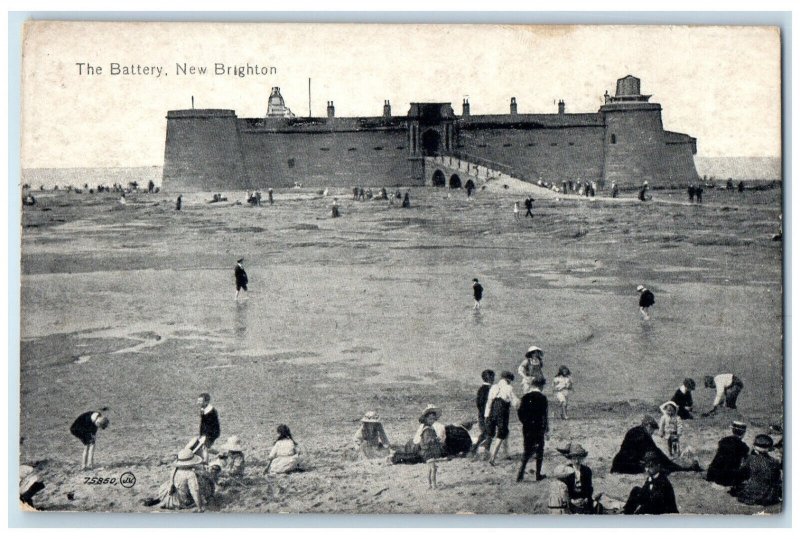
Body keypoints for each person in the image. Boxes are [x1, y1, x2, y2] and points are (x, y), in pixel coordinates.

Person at [611, 415, 695, 474]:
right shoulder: (644, 435)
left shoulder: (633, 430)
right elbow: (657, 452)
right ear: (647, 426)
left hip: (617, 463)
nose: (652, 432)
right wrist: (674, 466)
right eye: (652, 429)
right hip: (627, 466)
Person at [146, 448, 216, 511]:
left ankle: (161, 501)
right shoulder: (190, 474)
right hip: (182, 500)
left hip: (171, 495)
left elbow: (171, 484)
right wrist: (199, 508)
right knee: (204, 485)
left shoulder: (175, 469)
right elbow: (194, 491)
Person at [730, 434, 782, 506]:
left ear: (754, 446)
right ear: (769, 448)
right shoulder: (774, 461)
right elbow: (777, 479)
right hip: (769, 496)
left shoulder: (750, 459)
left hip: (752, 494)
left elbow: (740, 475)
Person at [516, 374, 548, 482]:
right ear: (541, 386)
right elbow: (544, 415)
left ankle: (521, 473)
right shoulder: (543, 398)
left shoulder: (525, 397)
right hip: (538, 427)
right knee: (539, 450)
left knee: (527, 449)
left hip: (527, 427)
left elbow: (519, 412)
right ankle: (538, 475)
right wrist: (546, 429)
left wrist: (525, 422)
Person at [484, 371, 520, 465]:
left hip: (492, 411)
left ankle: (505, 453)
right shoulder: (509, 388)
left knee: (502, 432)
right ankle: (493, 457)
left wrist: (487, 416)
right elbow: (515, 403)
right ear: (508, 379)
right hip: (502, 412)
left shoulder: (494, 387)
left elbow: (489, 402)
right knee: (501, 433)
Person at [550, 443, 595, 514]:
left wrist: (586, 498)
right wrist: (571, 500)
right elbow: (564, 489)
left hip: (583, 499)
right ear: (570, 458)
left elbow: (589, 487)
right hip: (571, 500)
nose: (577, 461)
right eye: (574, 458)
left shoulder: (587, 470)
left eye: (579, 458)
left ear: (582, 458)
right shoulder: (566, 470)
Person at [706, 421, 749, 487]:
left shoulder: (723, 441)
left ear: (732, 430)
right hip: (729, 478)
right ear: (743, 433)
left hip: (715, 475)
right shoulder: (744, 447)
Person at [417, 406, 446, 489]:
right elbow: (427, 440)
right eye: (430, 419)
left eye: (433, 419)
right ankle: (433, 485)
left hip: (427, 451)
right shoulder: (427, 430)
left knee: (430, 468)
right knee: (433, 469)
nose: (432, 421)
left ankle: (429, 484)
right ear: (425, 419)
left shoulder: (428, 428)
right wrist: (435, 439)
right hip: (427, 451)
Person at [472, 369, 495, 456]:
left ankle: (476, 448)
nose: (493, 379)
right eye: (492, 377)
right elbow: (482, 404)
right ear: (489, 378)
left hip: (483, 415)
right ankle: (483, 450)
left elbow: (479, 403)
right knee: (489, 433)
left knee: (487, 433)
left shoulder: (482, 389)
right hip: (487, 415)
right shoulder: (487, 389)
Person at [194, 393, 220, 464]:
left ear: (206, 402)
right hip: (206, 432)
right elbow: (203, 424)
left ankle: (205, 462)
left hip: (212, 432)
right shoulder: (204, 409)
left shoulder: (210, 412)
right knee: (206, 447)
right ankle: (221, 454)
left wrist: (205, 435)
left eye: (200, 401)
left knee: (205, 447)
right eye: (198, 401)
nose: (198, 402)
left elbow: (210, 425)